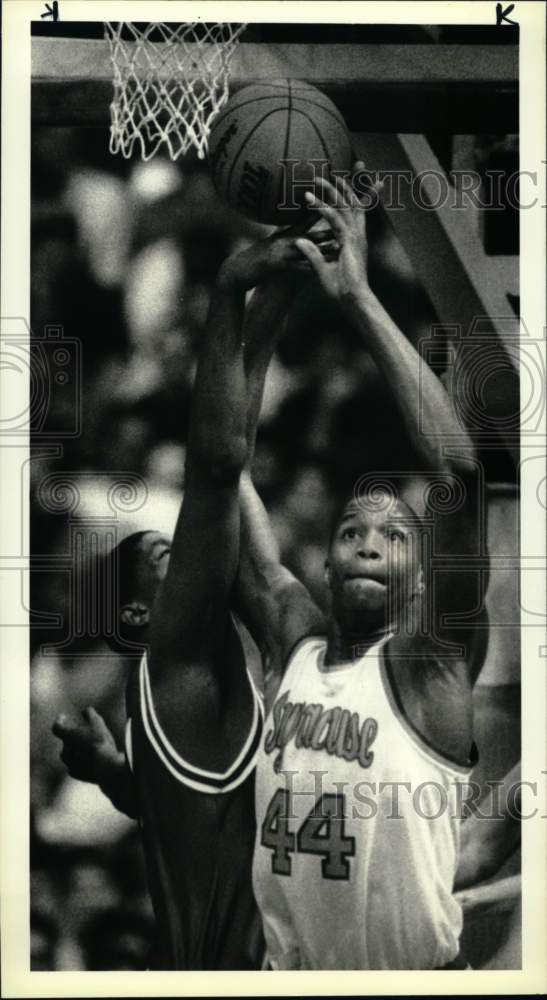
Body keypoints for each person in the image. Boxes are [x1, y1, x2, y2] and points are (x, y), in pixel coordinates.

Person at [52, 220, 330, 970]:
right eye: (166, 559)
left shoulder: (188, 706)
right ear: (141, 616)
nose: (200, 559)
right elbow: (215, 466)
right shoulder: (179, 667)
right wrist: (231, 289)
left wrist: (281, 292)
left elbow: (188, 823)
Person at [242, 166, 490, 969]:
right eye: (352, 529)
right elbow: (222, 471)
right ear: (321, 564)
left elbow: (459, 473)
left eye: (392, 536)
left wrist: (354, 295)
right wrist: (270, 301)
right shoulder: (296, 643)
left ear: (422, 583)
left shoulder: (429, 664)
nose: (368, 540)